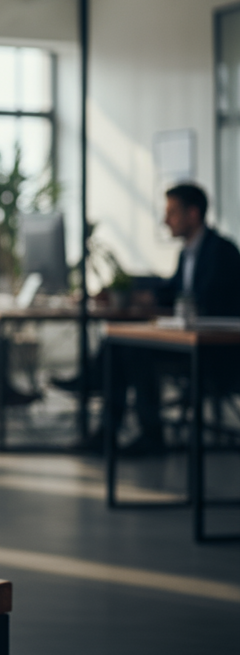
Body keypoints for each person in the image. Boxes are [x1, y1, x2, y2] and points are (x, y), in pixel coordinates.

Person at [108, 183, 240, 454]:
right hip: (189, 341)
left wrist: (165, 299)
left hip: (216, 350)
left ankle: (152, 436)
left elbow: (204, 299)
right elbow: (175, 289)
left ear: (193, 214)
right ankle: (106, 434)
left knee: (136, 351)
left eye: (172, 213)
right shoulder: (187, 252)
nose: (165, 220)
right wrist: (145, 295)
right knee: (120, 344)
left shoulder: (222, 251)